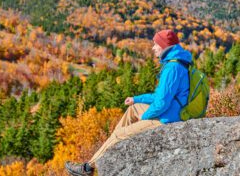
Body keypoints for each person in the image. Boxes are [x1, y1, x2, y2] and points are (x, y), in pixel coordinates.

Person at [65, 29, 192, 176]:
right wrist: (136, 99)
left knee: (121, 133)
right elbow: (160, 96)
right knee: (134, 108)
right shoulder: (176, 62)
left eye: (156, 44)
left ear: (164, 46)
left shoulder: (172, 68)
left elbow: (161, 104)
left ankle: (88, 168)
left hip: (168, 117)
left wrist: (145, 117)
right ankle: (113, 143)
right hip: (171, 110)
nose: (153, 48)